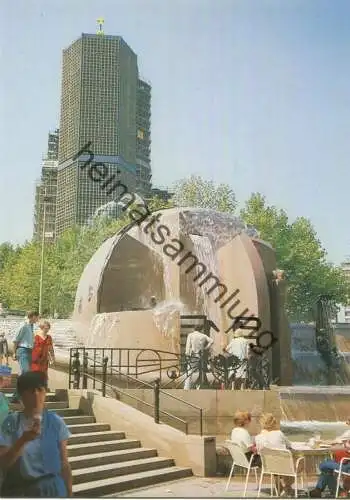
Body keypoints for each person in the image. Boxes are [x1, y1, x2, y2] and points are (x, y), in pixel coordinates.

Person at [0, 371, 72, 497]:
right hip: (23, 491)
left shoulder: (55, 421)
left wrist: (69, 492)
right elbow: (4, 463)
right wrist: (23, 440)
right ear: (22, 395)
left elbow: (64, 463)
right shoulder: (11, 422)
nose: (36, 395)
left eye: (40, 389)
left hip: (54, 489)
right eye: (31, 390)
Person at [255, 413, 294, 496]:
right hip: (283, 466)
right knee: (298, 460)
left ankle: (281, 488)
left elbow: (259, 452)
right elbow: (289, 445)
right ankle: (287, 487)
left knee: (274, 462)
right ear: (274, 423)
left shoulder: (258, 437)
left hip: (268, 466)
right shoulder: (279, 433)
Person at [310, 425, 350, 498]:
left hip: (345, 464)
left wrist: (331, 446)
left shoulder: (348, 433)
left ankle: (319, 489)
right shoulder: (348, 434)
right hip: (342, 462)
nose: (347, 423)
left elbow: (342, 447)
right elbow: (341, 443)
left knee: (323, 465)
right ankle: (334, 491)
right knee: (327, 468)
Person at [11, 311, 39, 403]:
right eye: (37, 317)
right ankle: (17, 396)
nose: (38, 319)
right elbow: (16, 339)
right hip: (22, 351)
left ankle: (18, 396)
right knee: (26, 373)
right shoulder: (23, 325)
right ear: (33, 316)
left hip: (29, 352)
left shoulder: (31, 327)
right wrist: (14, 352)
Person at [224, 322, 250, 389]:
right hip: (243, 360)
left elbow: (227, 349)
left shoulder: (233, 341)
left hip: (234, 360)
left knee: (233, 372)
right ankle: (242, 388)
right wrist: (247, 357)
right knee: (243, 374)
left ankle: (232, 387)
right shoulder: (245, 341)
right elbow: (248, 350)